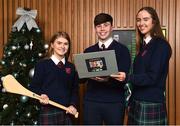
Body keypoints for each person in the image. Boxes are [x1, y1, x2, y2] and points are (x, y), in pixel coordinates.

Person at [111, 7, 172, 125]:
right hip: (136, 102)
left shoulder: (161, 45)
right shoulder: (143, 46)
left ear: (154, 21)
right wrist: (130, 101)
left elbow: (152, 77)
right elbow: (139, 75)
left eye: (145, 19)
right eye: (138, 20)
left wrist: (127, 77)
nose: (141, 23)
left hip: (151, 102)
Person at [82, 13, 131, 125]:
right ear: (95, 29)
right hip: (92, 102)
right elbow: (82, 80)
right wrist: (80, 71)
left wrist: (106, 79)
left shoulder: (123, 50)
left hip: (114, 102)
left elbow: (124, 78)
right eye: (99, 26)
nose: (102, 29)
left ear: (111, 27)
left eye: (106, 25)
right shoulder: (88, 51)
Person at [29, 31, 79, 125]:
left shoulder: (71, 67)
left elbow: (74, 90)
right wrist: (41, 95)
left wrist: (73, 105)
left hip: (66, 111)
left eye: (66, 44)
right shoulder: (42, 65)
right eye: (59, 43)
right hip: (47, 111)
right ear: (52, 45)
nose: (62, 46)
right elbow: (34, 87)